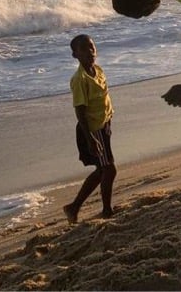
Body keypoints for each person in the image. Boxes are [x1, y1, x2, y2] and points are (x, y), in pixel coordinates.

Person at [63, 34, 116, 223]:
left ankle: (73, 207)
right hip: (92, 130)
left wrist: (109, 118)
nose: (90, 52)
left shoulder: (98, 70)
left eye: (92, 47)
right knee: (109, 170)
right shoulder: (80, 79)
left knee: (103, 169)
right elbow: (80, 111)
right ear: (75, 55)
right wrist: (90, 139)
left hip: (104, 125)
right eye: (84, 49)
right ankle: (107, 209)